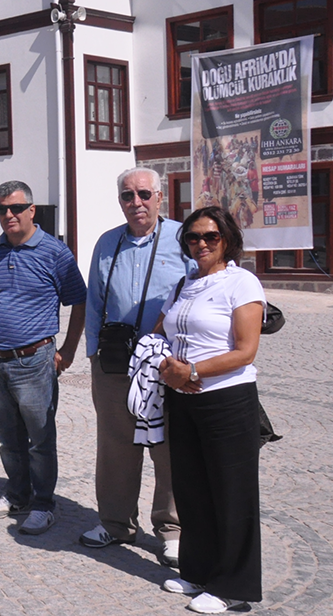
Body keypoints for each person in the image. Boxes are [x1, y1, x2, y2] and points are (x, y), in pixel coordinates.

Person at [155, 206, 265, 614]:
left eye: (210, 237)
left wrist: (193, 369)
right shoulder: (184, 283)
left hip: (227, 400)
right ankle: (198, 571)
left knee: (232, 494)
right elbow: (159, 332)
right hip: (183, 399)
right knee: (192, 489)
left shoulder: (241, 283)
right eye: (192, 237)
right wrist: (170, 369)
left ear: (227, 239)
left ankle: (235, 586)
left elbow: (245, 350)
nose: (200, 244)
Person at [80, 168, 189, 564]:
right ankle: (115, 522)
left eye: (144, 194)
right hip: (114, 360)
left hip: (166, 361)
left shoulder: (182, 238)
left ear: (160, 197)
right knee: (115, 445)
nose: (136, 203)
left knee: (167, 446)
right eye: (128, 195)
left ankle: (172, 528)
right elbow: (94, 301)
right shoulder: (107, 242)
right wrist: (93, 352)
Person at [0, 181, 87, 536]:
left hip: (35, 360)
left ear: (32, 210)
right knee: (8, 437)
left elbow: (79, 301)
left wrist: (67, 350)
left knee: (39, 438)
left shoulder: (54, 252)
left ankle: (44, 503)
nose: (8, 215)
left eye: (16, 208)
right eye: (1, 209)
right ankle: (17, 494)